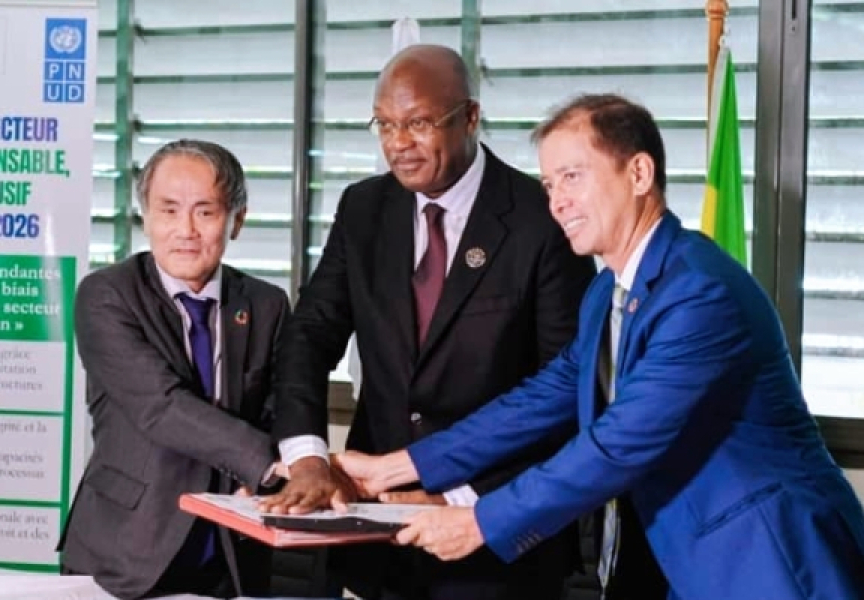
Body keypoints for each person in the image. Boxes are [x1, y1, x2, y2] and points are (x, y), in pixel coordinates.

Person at [334, 93, 864, 600]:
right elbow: (542, 398)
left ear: (639, 174)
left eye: (572, 177)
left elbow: (618, 444)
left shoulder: (700, 292)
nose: (556, 201)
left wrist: (480, 523)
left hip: (773, 564)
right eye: (548, 184)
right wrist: (400, 466)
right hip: (683, 563)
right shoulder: (606, 292)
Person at [262, 44, 596, 600]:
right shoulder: (364, 209)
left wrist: (457, 499)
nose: (398, 143)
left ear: (471, 117)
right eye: (385, 124)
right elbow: (309, 334)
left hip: (495, 543)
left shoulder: (543, 218)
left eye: (418, 123)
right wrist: (307, 457)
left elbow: (566, 390)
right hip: (374, 534)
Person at [58, 139, 289, 599]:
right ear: (145, 216)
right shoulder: (106, 295)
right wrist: (272, 465)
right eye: (168, 211)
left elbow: (281, 406)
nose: (186, 230)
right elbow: (160, 406)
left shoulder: (266, 304)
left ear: (237, 220)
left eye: (205, 212)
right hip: (125, 552)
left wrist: (289, 470)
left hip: (231, 551)